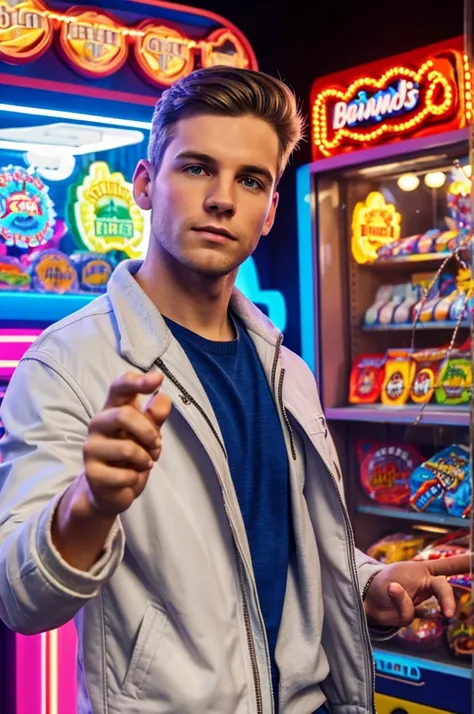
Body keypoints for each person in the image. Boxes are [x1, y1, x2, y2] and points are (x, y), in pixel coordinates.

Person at [0, 66, 469, 714]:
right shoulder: (65, 363)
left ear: (272, 209)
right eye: (197, 168)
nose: (223, 199)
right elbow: (21, 600)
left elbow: (282, 545)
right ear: (144, 185)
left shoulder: (288, 370)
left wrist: (370, 582)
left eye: (251, 180)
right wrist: (89, 503)